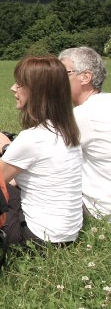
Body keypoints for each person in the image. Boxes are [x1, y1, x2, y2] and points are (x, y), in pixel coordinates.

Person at [0, 55, 83, 247]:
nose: (13, 88)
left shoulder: (32, 137)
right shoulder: (67, 131)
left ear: (39, 92)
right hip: (68, 235)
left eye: (20, 84)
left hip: (37, 238)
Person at [59, 46, 111, 221]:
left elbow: (43, 157)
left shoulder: (83, 115)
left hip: (101, 210)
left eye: (62, 73)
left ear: (85, 77)